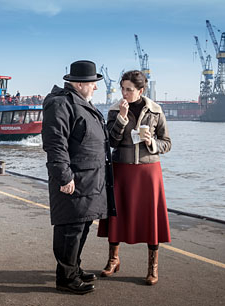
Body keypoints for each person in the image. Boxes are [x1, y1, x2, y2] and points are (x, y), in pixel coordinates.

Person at [41, 60, 115, 295]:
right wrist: (64, 177)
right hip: (74, 179)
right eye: (93, 83)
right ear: (80, 83)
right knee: (69, 229)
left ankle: (74, 268)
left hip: (88, 179)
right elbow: (55, 144)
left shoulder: (80, 103)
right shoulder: (61, 104)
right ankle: (65, 278)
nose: (95, 88)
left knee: (81, 226)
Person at [97, 70, 172, 286]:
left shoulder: (156, 111)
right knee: (116, 214)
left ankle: (152, 267)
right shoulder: (114, 110)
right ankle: (113, 260)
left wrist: (152, 143)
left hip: (149, 172)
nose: (124, 93)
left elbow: (167, 142)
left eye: (129, 89)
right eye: (122, 89)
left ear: (140, 90)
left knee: (151, 218)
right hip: (121, 168)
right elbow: (111, 141)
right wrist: (121, 118)